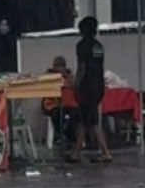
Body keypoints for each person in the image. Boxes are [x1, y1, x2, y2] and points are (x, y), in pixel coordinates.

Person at [70, 16, 111, 163]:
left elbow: (82, 67)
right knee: (86, 119)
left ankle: (105, 152)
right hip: (98, 85)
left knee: (90, 121)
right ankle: (76, 151)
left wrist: (76, 84)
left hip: (86, 87)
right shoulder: (98, 46)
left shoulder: (81, 45)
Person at [41, 54, 76, 151]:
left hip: (67, 104)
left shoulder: (68, 74)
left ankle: (70, 138)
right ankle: (59, 135)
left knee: (74, 115)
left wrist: (66, 76)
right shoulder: (49, 74)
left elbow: (73, 84)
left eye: (62, 66)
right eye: (57, 66)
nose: (59, 69)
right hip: (51, 105)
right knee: (56, 114)